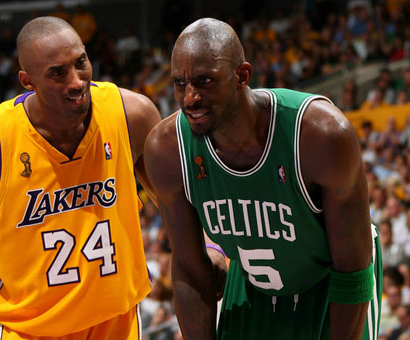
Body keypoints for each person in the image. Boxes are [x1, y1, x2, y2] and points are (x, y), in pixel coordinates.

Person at [144, 18, 382, 339]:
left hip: (330, 285)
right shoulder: (167, 148)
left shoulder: (319, 134)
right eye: (180, 83)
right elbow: (189, 268)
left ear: (241, 76)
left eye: (204, 81)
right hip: (253, 284)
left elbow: (352, 269)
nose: (190, 98)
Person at [0, 16, 162, 339]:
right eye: (57, 73)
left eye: (81, 62)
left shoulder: (131, 114)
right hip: (27, 331)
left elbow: (176, 203)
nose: (77, 80)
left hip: (116, 324)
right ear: (28, 80)